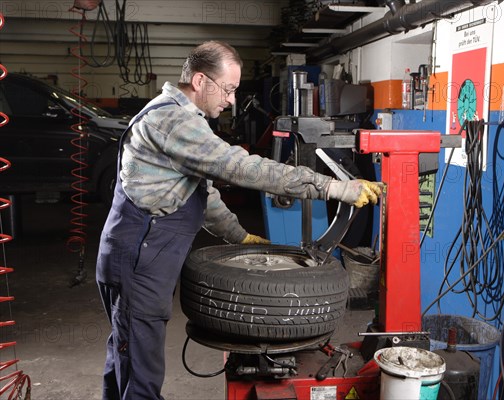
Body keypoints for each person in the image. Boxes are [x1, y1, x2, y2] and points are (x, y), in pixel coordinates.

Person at [96, 40, 382, 400]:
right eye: (228, 89)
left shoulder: (184, 120)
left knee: (126, 352)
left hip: (141, 256)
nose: (231, 100)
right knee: (140, 369)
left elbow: (200, 193)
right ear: (200, 81)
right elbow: (242, 168)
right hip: (137, 260)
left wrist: (239, 236)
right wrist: (333, 188)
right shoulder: (172, 121)